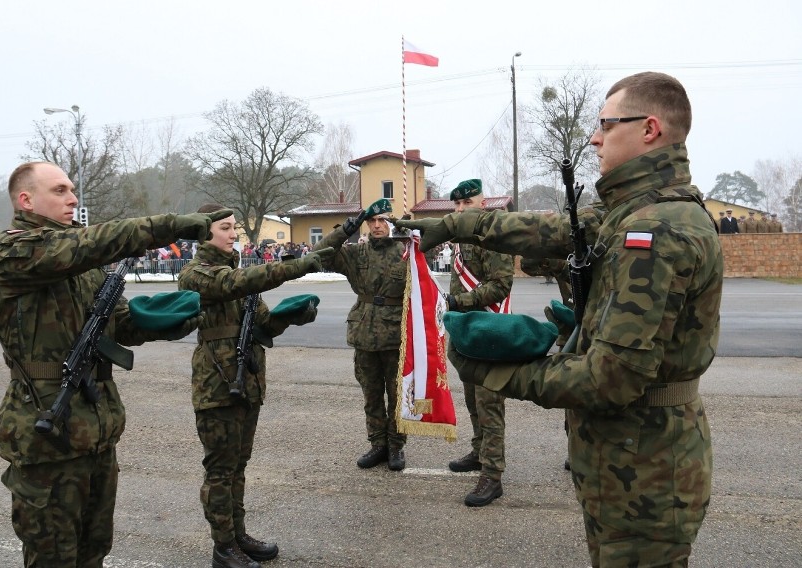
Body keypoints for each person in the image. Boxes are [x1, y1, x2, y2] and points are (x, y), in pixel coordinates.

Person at [397, 72, 721, 567]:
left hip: (646, 469)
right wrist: (450, 224)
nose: (595, 136)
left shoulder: (656, 228)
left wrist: (493, 371)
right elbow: (540, 230)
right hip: (627, 456)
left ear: (650, 129)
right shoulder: (630, 212)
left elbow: (609, 378)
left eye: (606, 124)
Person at [0, 161, 233, 567]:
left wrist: (161, 320)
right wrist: (170, 225)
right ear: (26, 199)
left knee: (94, 552)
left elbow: (118, 324)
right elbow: (90, 244)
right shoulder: (5, 252)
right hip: (47, 432)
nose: (73, 198)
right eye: (59, 190)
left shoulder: (82, 264)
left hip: (95, 430)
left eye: (72, 190)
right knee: (53, 559)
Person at [178, 204, 330, 568]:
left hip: (245, 380)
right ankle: (223, 547)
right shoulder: (195, 274)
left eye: (234, 228)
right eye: (226, 228)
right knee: (220, 468)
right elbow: (232, 285)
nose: (233, 234)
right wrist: (294, 267)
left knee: (238, 465)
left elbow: (262, 323)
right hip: (217, 383)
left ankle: (238, 534)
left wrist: (288, 318)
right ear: (206, 233)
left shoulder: (239, 273)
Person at [313, 198, 409, 471]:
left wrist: (410, 228)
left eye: (383, 221)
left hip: (395, 334)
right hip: (364, 332)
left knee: (397, 393)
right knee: (372, 394)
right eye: (372, 221)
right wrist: (345, 230)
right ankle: (377, 444)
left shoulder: (406, 251)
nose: (377, 226)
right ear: (366, 224)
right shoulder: (357, 254)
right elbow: (320, 252)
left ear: (391, 223)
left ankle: (396, 446)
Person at [442, 179, 515, 507]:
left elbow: (501, 285)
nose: (460, 210)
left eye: (466, 204)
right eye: (456, 205)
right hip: (467, 331)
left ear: (481, 205)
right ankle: (478, 449)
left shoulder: (493, 237)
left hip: (489, 331)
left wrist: (463, 302)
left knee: (489, 403)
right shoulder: (459, 239)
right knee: (472, 398)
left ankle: (492, 475)